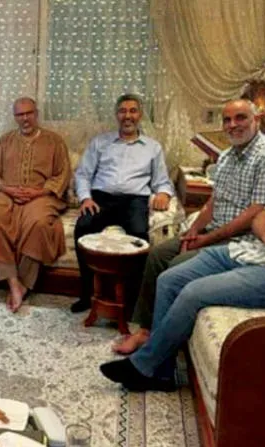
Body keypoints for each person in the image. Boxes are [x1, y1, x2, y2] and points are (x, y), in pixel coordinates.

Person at [100, 121, 265, 391]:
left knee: (194, 292)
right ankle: (162, 372)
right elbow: (263, 216)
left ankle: (142, 366)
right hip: (255, 251)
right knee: (170, 279)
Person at [113, 98, 265, 354]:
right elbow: (213, 202)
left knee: (178, 265)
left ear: (256, 120)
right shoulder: (228, 156)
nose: (233, 125)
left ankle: (166, 341)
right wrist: (193, 231)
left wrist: (206, 240)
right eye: (227, 120)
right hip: (215, 232)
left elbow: (256, 214)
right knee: (157, 255)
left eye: (240, 118)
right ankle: (146, 331)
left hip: (245, 240)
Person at [70, 93, 175, 314]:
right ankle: (87, 293)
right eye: (123, 111)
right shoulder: (100, 142)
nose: (128, 116)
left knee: (139, 237)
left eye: (133, 111)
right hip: (101, 198)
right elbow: (83, 174)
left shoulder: (152, 147)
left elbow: (162, 181)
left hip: (135, 200)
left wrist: (164, 194)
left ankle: (132, 300)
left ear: (140, 115)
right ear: (116, 115)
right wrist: (85, 198)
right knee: (83, 227)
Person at [0, 97, 71, 312]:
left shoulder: (54, 141)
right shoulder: (5, 141)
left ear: (36, 114)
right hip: (6, 193)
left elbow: (62, 174)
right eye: (20, 115)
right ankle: (13, 282)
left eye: (29, 113)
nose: (25, 118)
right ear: (15, 117)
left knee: (39, 223)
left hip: (41, 195)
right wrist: (6, 188)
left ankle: (24, 283)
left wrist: (39, 191)